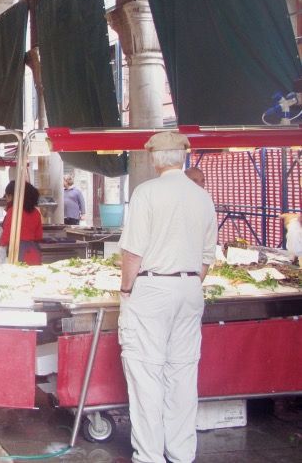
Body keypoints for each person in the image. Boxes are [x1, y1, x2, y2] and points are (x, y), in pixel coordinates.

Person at [118, 131, 217, 463]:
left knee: (147, 374)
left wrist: (127, 291)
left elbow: (132, 254)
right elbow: (206, 258)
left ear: (152, 158)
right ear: (184, 157)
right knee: (183, 373)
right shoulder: (202, 197)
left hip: (152, 289)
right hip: (190, 289)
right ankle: (181, 454)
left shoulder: (146, 193)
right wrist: (186, 282)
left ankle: (149, 457)